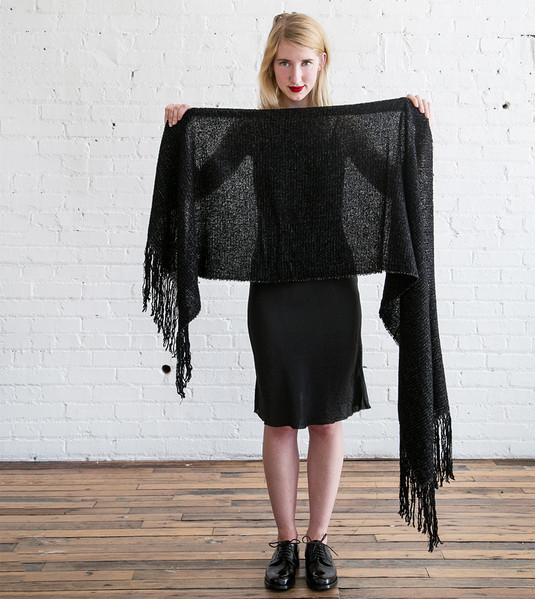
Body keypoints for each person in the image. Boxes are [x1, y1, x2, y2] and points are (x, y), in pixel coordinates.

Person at [163, 12, 432, 592]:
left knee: (329, 419)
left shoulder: (340, 128)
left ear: (322, 63)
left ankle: (318, 541)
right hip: (274, 286)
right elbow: (202, 182)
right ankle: (285, 542)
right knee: (281, 417)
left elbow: (390, 179)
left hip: (333, 288)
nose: (295, 74)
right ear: (271, 66)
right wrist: (181, 131)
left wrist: (411, 124)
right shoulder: (255, 130)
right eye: (284, 63)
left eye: (305, 62)